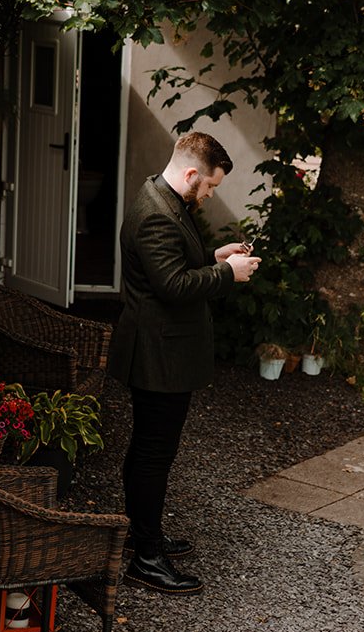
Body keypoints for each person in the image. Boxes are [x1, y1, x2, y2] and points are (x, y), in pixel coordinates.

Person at [108, 132, 261, 594]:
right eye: (210, 186)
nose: (211, 195)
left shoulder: (163, 196)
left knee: (149, 450)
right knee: (155, 455)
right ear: (192, 173)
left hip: (161, 350)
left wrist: (215, 256)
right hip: (158, 355)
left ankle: (142, 533)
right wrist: (226, 275)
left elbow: (170, 265)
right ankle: (147, 558)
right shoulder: (156, 213)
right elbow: (173, 286)